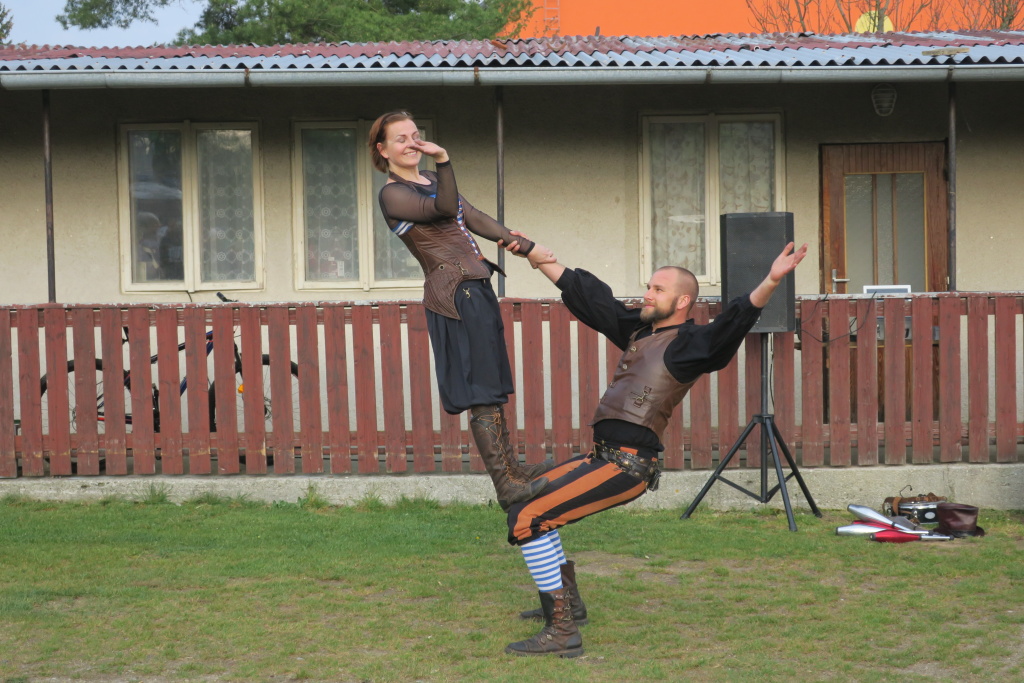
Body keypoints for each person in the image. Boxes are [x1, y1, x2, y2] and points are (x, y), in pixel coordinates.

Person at [499, 240, 808, 658]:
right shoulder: (640, 331)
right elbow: (594, 300)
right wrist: (537, 257)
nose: (647, 293)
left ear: (682, 301)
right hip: (600, 457)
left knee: (528, 517)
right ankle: (569, 605)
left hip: (625, 466)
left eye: (658, 289)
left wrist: (770, 280)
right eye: (648, 286)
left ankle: (562, 631)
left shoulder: (689, 344)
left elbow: (732, 323)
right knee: (524, 502)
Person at [368, 111, 557, 510]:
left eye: (415, 135)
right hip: (455, 294)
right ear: (382, 150)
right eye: (400, 139)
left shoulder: (432, 180)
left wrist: (529, 249)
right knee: (481, 389)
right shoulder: (392, 194)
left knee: (491, 383)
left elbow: (473, 217)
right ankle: (507, 485)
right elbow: (444, 209)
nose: (411, 143)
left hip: (475, 286)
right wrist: (443, 158)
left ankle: (513, 471)